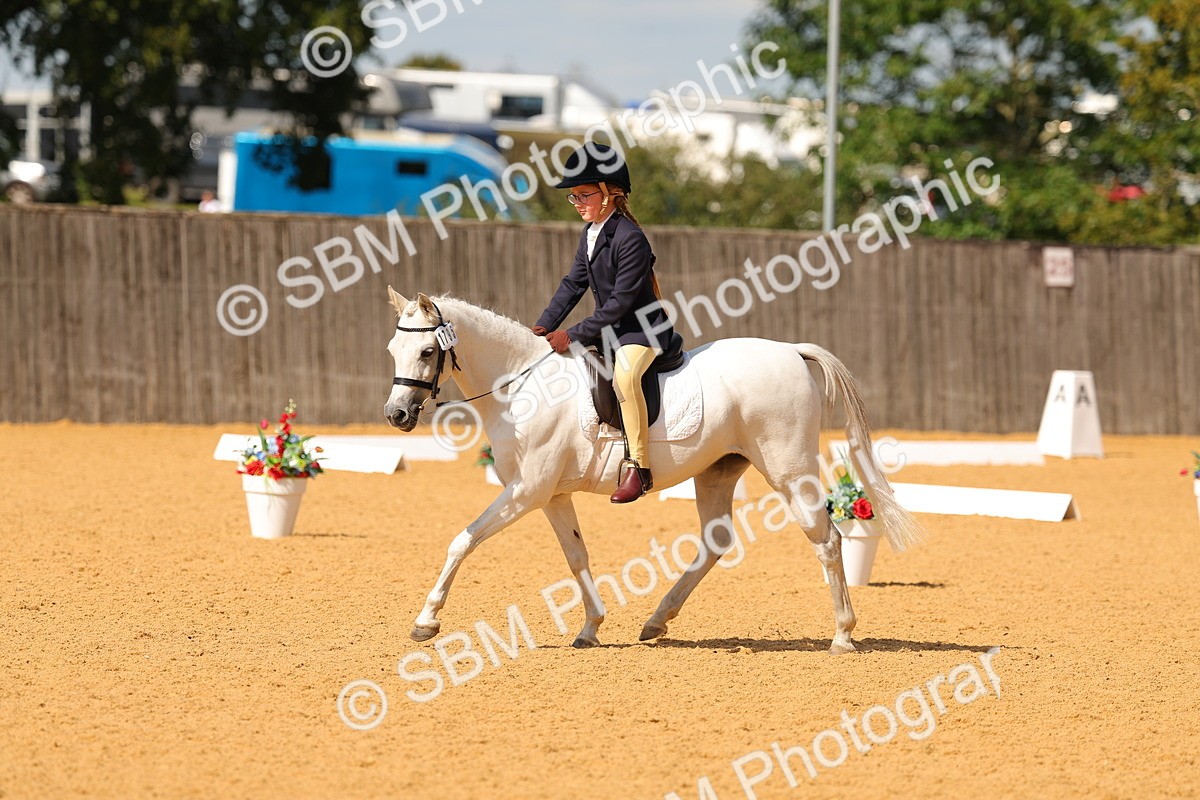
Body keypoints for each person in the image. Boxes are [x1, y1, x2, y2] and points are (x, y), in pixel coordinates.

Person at [531, 143, 675, 503]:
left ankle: (639, 468)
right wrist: (542, 326)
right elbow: (573, 284)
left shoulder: (631, 238)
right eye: (574, 197)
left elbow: (619, 303)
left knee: (625, 378)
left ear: (610, 194)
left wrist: (572, 334)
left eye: (583, 195)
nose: (577, 202)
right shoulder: (591, 233)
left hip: (641, 329)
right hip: (612, 331)